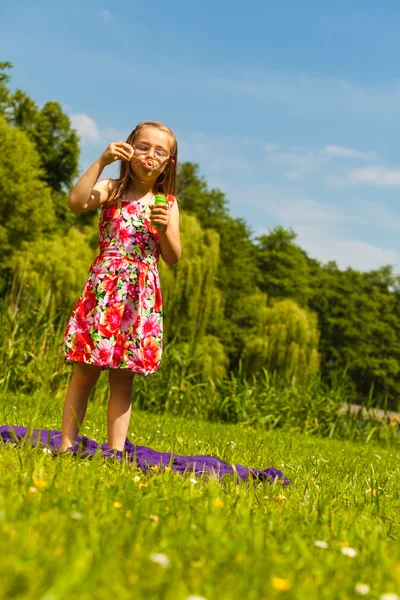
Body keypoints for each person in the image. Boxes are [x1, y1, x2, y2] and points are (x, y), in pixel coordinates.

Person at [61, 120, 181, 453]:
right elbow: (76, 202)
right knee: (85, 370)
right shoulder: (112, 189)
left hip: (138, 297)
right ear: (128, 149)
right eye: (143, 147)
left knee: (123, 377)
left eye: (159, 152)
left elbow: (173, 257)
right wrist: (101, 161)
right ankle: (67, 445)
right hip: (105, 290)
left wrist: (164, 231)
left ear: (168, 162)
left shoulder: (167, 204)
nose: (149, 156)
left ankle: (115, 452)